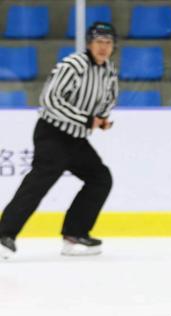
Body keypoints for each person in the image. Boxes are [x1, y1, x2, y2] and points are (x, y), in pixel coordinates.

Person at [0, 22, 118, 259]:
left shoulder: (109, 71)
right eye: (99, 42)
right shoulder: (73, 65)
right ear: (89, 44)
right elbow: (50, 99)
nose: (103, 47)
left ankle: (74, 234)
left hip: (76, 139)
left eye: (108, 43)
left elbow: (108, 99)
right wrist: (87, 119)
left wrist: (102, 118)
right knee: (39, 183)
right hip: (52, 134)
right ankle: (4, 235)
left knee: (100, 178)